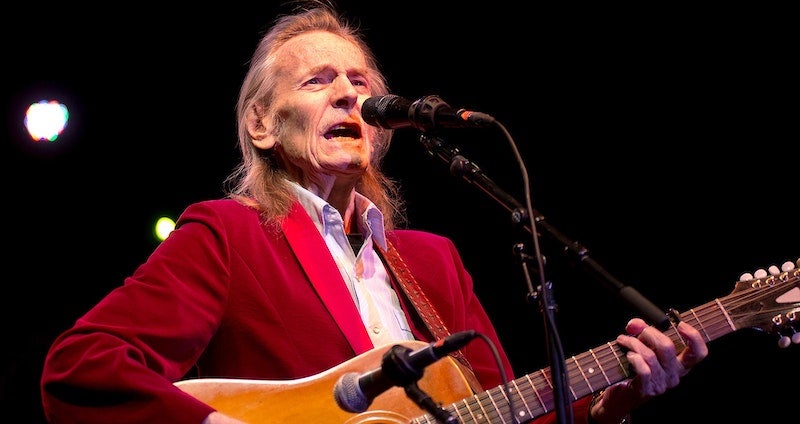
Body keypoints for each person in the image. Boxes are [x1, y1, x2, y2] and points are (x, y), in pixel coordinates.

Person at [39, 1, 708, 423]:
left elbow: (503, 409)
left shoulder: (431, 260)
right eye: (318, 80)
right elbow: (84, 368)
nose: (347, 95)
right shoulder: (229, 234)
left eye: (361, 83)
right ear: (263, 125)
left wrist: (617, 399)